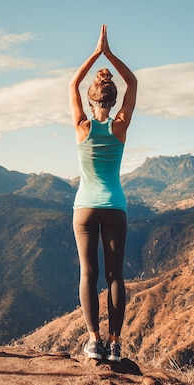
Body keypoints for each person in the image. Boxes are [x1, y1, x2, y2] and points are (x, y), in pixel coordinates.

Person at [69, 24, 137, 362]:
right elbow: (134, 83)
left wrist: (95, 52)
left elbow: (71, 84)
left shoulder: (82, 126)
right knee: (114, 277)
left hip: (84, 208)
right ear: (111, 100)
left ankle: (93, 340)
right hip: (115, 207)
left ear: (91, 99)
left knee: (88, 274)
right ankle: (114, 343)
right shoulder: (120, 125)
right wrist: (110, 54)